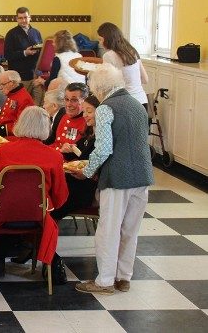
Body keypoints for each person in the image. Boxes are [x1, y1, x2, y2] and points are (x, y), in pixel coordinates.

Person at [72, 64, 153, 295]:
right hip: (142, 174)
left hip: (118, 177)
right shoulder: (137, 104)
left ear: (98, 88)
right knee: (130, 230)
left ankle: (105, 281)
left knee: (108, 230)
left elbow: (104, 148)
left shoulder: (106, 108)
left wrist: (87, 172)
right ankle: (123, 277)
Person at [0, 106, 69, 278]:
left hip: (0, 214)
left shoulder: (4, 150)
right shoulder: (54, 156)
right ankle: (29, 249)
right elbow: (60, 196)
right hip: (38, 216)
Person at [98, 22, 148, 108]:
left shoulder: (108, 55)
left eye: (101, 40)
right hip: (142, 101)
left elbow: (106, 84)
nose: (100, 43)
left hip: (125, 103)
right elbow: (145, 79)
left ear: (108, 39)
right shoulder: (132, 51)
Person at [4, 7, 44, 106]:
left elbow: (41, 50)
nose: (23, 20)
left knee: (37, 105)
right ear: (16, 19)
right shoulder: (11, 34)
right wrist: (25, 53)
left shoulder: (36, 32)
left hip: (36, 75)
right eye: (20, 18)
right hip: (20, 76)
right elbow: (7, 55)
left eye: (25, 17)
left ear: (30, 17)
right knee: (21, 104)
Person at [44, 83, 89, 156]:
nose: (68, 104)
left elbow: (80, 154)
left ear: (85, 101)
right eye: (66, 99)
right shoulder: (62, 114)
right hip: (53, 155)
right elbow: (52, 141)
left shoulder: (87, 121)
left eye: (74, 100)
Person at [0, 70, 35, 137]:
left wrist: (2, 129)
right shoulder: (12, 94)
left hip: (12, 136)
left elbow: (21, 125)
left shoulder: (24, 98)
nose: (0, 88)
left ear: (12, 83)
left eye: (2, 84)